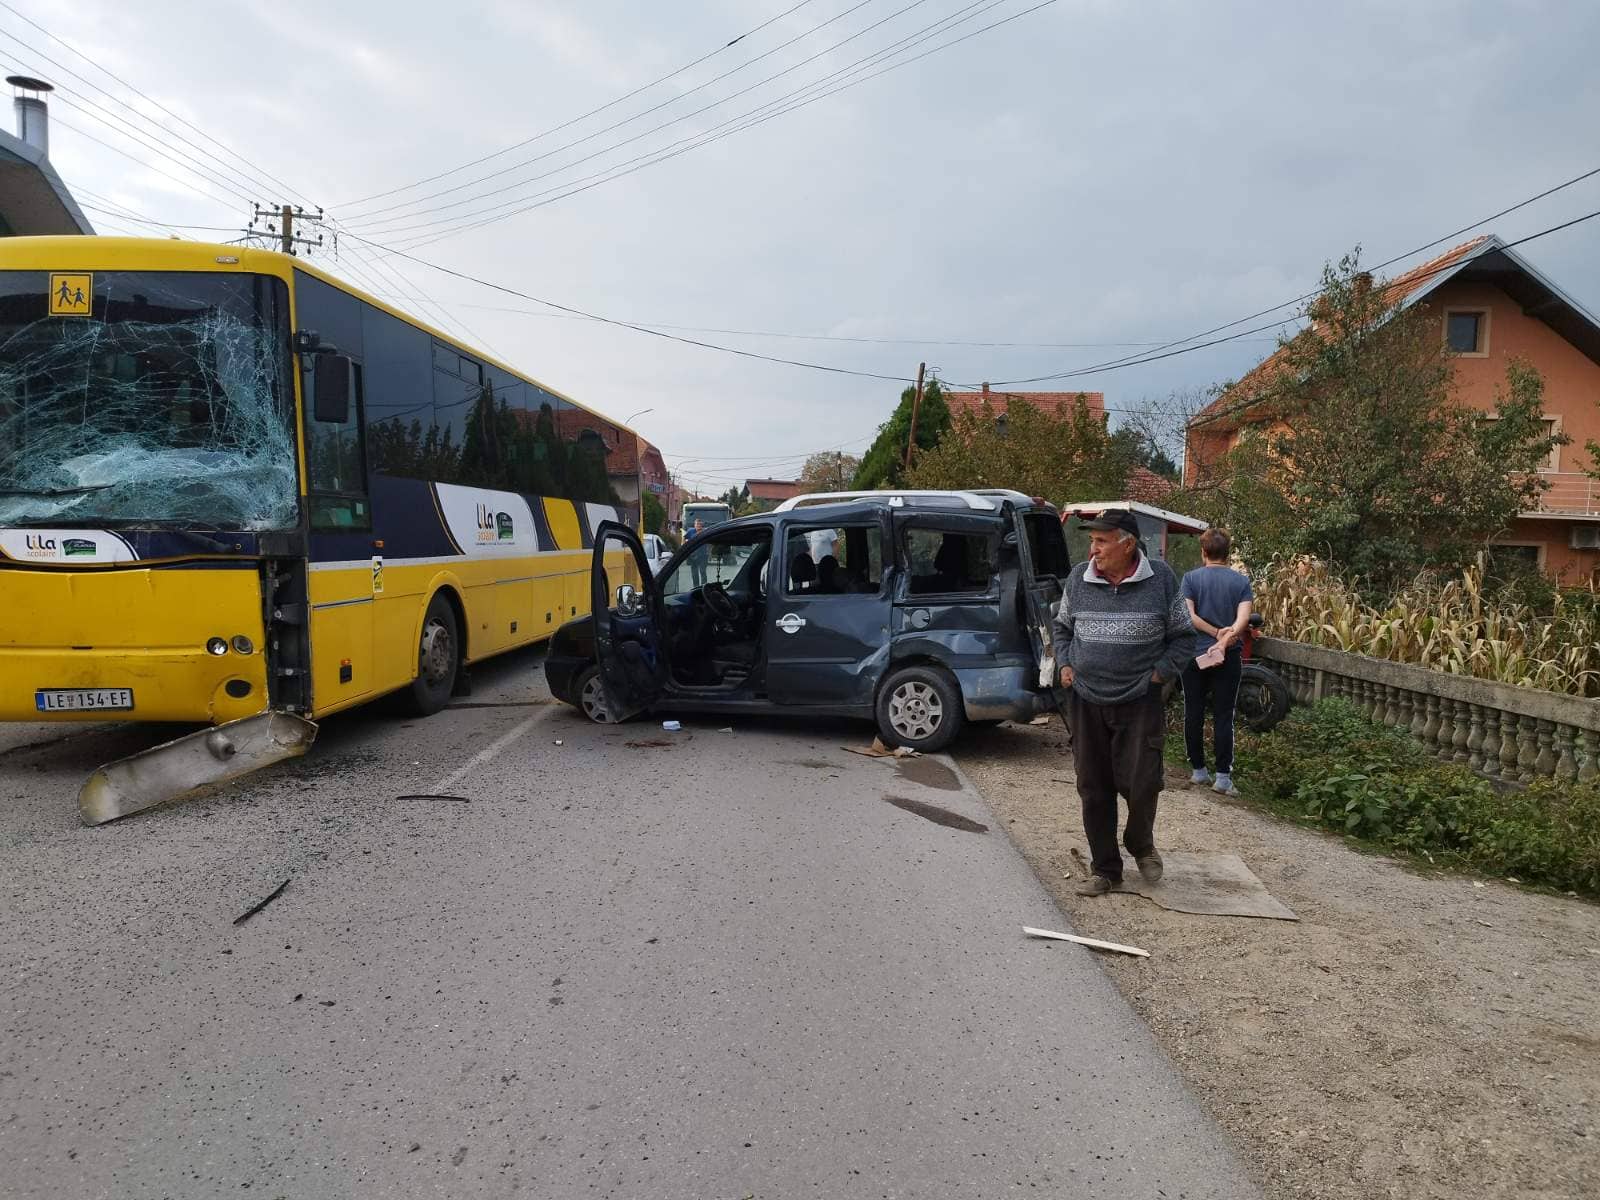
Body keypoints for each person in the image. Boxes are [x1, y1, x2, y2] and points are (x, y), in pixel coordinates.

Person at [1052, 509, 1198, 897]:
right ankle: (1105, 870)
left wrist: (1160, 673)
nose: (1093, 549)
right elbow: (1063, 626)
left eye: (1101, 541)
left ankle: (1140, 843)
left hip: (1139, 698)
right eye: (1092, 540)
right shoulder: (1079, 578)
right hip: (1086, 697)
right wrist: (1065, 662)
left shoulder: (1161, 580)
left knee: (1143, 781)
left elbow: (1184, 637)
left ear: (1127, 544)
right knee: (1093, 784)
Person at [1180, 527, 1254, 797]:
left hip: (1193, 655)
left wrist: (1212, 635)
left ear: (1204, 552)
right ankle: (1223, 778)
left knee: (1194, 712)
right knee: (1224, 715)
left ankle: (1199, 771)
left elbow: (1188, 616)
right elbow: (1243, 619)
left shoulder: (1190, 579)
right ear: (1228, 553)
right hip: (1228, 657)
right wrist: (1224, 638)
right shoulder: (1241, 582)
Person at [688, 517, 707, 588]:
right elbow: (685, 538)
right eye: (697, 524)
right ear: (694, 525)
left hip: (703, 555)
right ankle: (696, 587)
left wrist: (709, 552)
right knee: (694, 573)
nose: (698, 526)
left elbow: (709, 543)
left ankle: (703, 587)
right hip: (693, 555)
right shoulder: (691, 531)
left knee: (702, 571)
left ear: (701, 525)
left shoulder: (705, 532)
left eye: (699, 524)